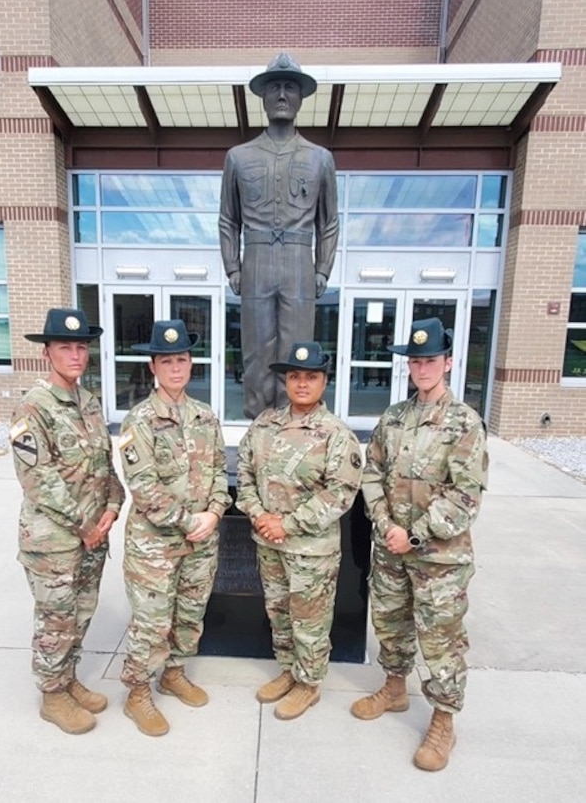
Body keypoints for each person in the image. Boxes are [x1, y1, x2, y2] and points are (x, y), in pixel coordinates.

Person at [351, 317, 488, 771]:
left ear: (447, 362)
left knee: (441, 640)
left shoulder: (465, 422)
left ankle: (444, 720)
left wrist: (413, 534)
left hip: (439, 560)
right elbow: (371, 474)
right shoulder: (393, 418)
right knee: (390, 625)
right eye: (415, 360)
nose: (422, 368)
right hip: (391, 551)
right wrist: (387, 523)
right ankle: (394, 688)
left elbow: (465, 495)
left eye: (430, 360)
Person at [10, 308, 125, 735]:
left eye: (81, 347)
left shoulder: (88, 402)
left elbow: (105, 465)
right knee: (55, 620)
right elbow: (37, 478)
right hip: (55, 541)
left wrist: (113, 506)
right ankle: (52, 695)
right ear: (47, 352)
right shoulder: (32, 407)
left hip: (93, 535)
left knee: (81, 612)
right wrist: (84, 524)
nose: (76, 355)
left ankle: (68, 678)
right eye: (66, 347)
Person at [236, 342, 362, 720]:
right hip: (268, 542)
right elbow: (244, 472)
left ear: (325, 381)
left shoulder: (336, 435)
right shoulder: (265, 424)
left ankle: (309, 684)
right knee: (279, 613)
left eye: (311, 376)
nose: (302, 383)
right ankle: (288, 671)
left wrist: (286, 524)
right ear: (285, 381)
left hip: (311, 549)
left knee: (310, 620)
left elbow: (340, 494)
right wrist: (258, 514)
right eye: (294, 376)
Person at [118, 319, 232, 737]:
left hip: (201, 543)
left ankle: (174, 672)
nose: (176, 368)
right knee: (151, 623)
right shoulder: (139, 421)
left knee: (189, 615)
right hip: (156, 547)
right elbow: (144, 488)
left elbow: (221, 471)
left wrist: (215, 514)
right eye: (167, 360)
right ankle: (137, 692)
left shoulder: (204, 417)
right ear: (153, 366)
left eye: (181, 359)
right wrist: (189, 522)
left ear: (191, 362)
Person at [219, 52, 339, 419]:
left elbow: (329, 222)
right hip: (255, 261)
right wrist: (233, 269)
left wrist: (322, 270)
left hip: (299, 263)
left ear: (301, 98)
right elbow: (228, 219)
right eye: (275, 88)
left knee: (295, 351)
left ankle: (294, 427)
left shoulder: (320, 158)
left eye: (290, 87)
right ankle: (258, 423)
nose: (283, 95)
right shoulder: (239, 157)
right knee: (256, 350)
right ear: (263, 97)